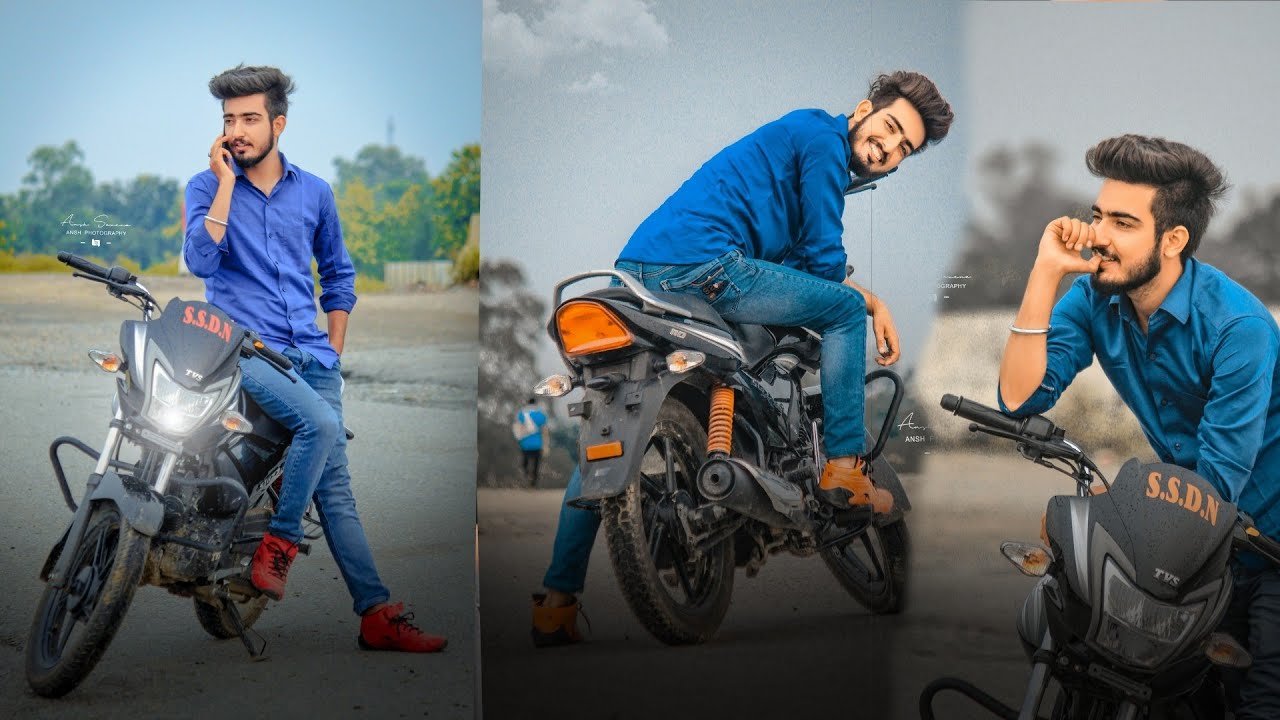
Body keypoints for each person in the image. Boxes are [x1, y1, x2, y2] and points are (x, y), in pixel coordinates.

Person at [532, 70, 954, 646]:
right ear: (861, 110)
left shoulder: (808, 144)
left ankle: (556, 602)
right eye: (889, 129)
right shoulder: (823, 140)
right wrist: (871, 301)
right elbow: (825, 264)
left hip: (641, 272)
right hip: (702, 267)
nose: (889, 150)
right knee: (844, 314)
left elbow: (801, 259)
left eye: (904, 149)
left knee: (609, 432)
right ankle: (845, 467)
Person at [997, 134, 1280, 717]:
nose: (1098, 234)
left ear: (1173, 239)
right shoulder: (1094, 298)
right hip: (1200, 540)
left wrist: (1133, 508)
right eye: (1098, 215)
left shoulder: (1238, 327)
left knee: (1259, 702)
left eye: (1123, 222)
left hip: (1270, 542)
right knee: (1147, 684)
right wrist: (1045, 271)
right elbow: (1020, 398)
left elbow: (1220, 480)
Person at [183, 64, 445, 653]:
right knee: (321, 424)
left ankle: (376, 615)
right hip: (244, 350)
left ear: (278, 123)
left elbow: (339, 276)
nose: (238, 131)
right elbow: (201, 261)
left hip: (314, 359)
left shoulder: (316, 193)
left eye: (250, 118)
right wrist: (224, 183)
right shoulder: (205, 188)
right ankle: (279, 545)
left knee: (338, 495)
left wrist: (332, 349)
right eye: (229, 120)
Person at [514, 397, 548, 486]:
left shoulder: (521, 414)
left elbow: (519, 428)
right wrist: (546, 445)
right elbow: (544, 431)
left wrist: (519, 439)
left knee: (525, 462)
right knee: (536, 464)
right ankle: (533, 481)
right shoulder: (541, 414)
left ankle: (526, 475)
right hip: (537, 444)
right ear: (535, 404)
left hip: (525, 443)